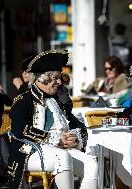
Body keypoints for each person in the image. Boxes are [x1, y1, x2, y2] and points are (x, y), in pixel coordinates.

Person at [7, 50, 98, 189]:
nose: (59, 82)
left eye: (59, 77)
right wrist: (55, 139)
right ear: (42, 78)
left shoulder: (58, 101)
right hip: (31, 152)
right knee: (63, 157)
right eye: (55, 78)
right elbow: (19, 130)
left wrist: (74, 138)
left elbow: (77, 124)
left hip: (60, 150)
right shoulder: (24, 100)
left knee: (91, 164)